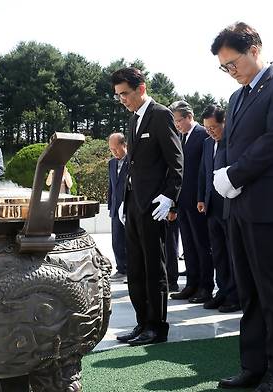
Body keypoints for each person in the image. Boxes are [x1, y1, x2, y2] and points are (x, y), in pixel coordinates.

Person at [211, 22, 273, 392]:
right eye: (224, 67)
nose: (230, 71)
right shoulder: (236, 98)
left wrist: (234, 175)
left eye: (232, 63)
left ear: (254, 50)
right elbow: (235, 146)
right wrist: (228, 178)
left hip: (271, 204)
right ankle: (253, 366)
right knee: (248, 291)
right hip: (240, 205)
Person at [112, 67, 183, 346]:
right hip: (133, 205)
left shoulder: (161, 114)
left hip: (154, 205)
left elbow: (176, 162)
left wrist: (169, 196)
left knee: (155, 268)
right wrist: (123, 201)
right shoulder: (133, 120)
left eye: (125, 94)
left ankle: (157, 326)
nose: (122, 100)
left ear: (141, 88)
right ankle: (142, 323)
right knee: (136, 268)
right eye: (118, 96)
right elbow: (131, 164)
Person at [168, 101, 214, 304]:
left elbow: (206, 170)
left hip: (198, 201)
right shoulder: (180, 137)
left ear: (189, 117)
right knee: (188, 244)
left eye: (179, 120)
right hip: (183, 201)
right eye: (175, 122)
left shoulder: (203, 134)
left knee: (202, 245)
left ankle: (205, 286)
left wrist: (202, 197)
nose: (177, 125)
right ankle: (191, 284)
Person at [197, 105, 240, 313]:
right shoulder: (207, 144)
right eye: (207, 127)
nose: (210, 131)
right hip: (212, 207)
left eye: (214, 127)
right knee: (218, 253)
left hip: (230, 206)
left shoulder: (233, 143)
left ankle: (235, 295)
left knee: (233, 253)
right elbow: (203, 173)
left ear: (224, 123)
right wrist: (201, 198)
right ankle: (222, 291)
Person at [107, 132, 129, 281]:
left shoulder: (133, 161)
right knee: (117, 241)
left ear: (124, 145)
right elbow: (111, 186)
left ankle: (133, 270)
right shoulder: (111, 163)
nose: (114, 152)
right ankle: (121, 269)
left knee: (131, 241)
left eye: (116, 149)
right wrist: (110, 205)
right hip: (116, 208)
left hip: (129, 207)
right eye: (111, 149)